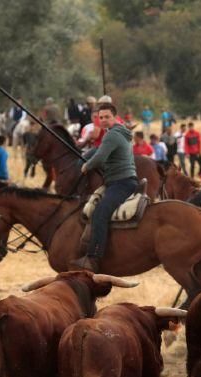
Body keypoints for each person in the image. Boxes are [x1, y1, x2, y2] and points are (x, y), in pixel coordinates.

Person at [71, 102, 138, 271]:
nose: (103, 120)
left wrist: (86, 166)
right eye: (101, 117)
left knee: (100, 212)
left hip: (121, 183)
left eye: (107, 117)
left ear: (115, 117)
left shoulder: (112, 135)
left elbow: (100, 158)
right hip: (121, 181)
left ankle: (94, 256)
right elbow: (100, 152)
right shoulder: (119, 133)